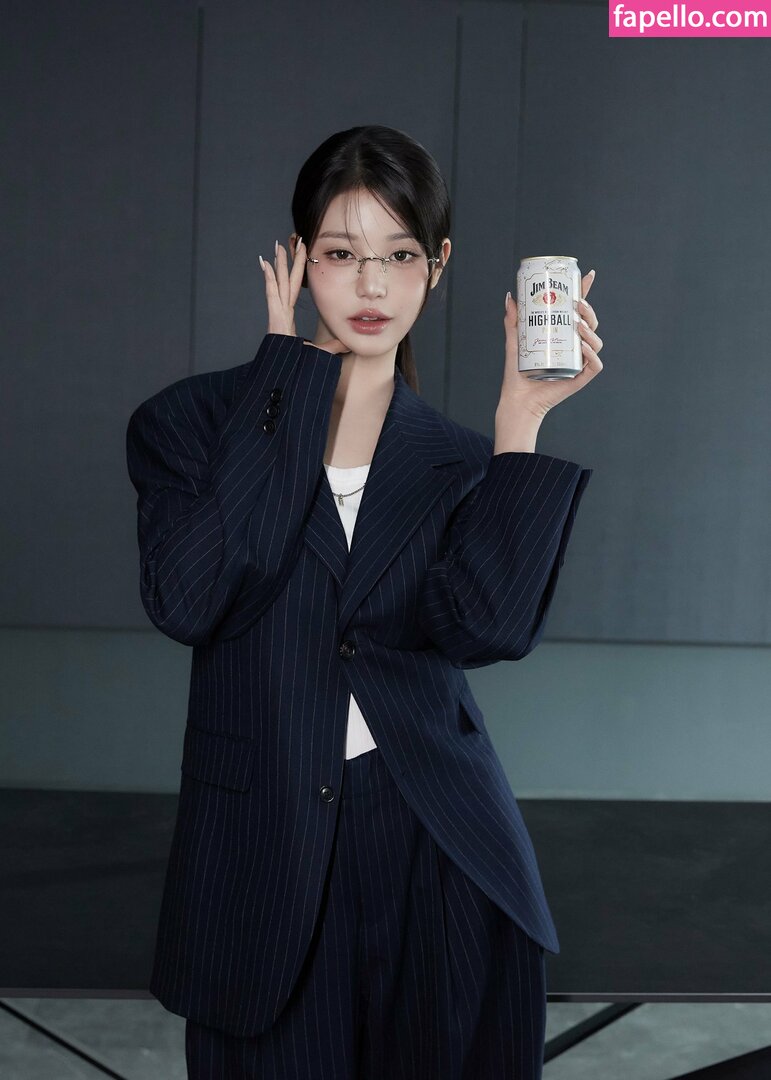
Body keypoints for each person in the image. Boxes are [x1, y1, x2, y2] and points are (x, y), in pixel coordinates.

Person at [125, 124, 603, 1079]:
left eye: (400, 256)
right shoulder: (189, 423)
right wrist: (282, 380)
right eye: (342, 254)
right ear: (299, 258)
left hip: (435, 838)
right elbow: (192, 599)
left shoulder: (460, 459)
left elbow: (486, 630)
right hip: (261, 846)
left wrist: (519, 424)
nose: (372, 286)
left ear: (438, 265)